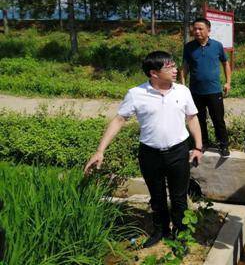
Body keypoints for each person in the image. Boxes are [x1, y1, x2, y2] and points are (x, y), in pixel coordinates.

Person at [84, 51, 203, 248]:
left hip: (178, 152)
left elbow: (192, 118)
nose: (175, 70)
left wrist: (198, 146)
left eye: (174, 65)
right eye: (169, 67)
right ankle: (160, 230)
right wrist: (100, 150)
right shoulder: (136, 94)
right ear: (153, 73)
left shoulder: (183, 91)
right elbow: (119, 120)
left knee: (179, 197)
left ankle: (180, 232)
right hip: (150, 154)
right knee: (157, 197)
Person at [181, 18, 232, 158]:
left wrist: (228, 82)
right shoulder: (189, 47)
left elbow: (225, 63)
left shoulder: (217, 46)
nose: (197, 31)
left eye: (200, 29)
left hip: (214, 90)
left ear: (208, 30)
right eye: (195, 28)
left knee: (218, 119)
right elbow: (185, 66)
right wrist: (182, 85)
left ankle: (223, 145)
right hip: (195, 91)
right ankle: (203, 143)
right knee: (199, 119)